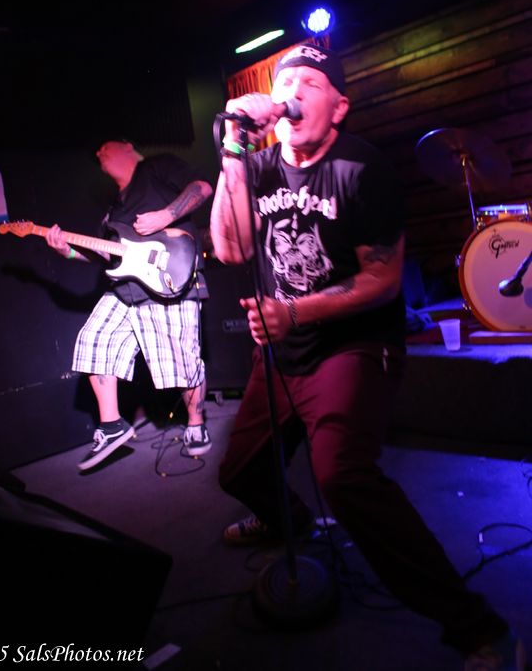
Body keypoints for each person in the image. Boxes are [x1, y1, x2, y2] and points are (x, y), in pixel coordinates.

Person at [209, 44, 525, 671]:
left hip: (353, 345)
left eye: (308, 82)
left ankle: (479, 629)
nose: (291, 92)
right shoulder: (258, 164)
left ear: (338, 106)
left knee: (342, 476)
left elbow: (381, 280)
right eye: (284, 82)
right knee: (239, 472)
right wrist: (233, 152)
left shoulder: (362, 167)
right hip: (283, 352)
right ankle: (295, 524)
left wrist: (293, 311)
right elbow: (231, 248)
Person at [46, 139, 213, 470]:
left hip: (170, 279)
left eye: (104, 147)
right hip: (125, 290)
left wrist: (165, 216)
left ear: (127, 146)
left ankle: (196, 423)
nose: (98, 153)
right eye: (97, 152)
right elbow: (104, 255)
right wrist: (67, 250)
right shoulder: (113, 211)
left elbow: (202, 187)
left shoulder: (157, 167)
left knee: (183, 362)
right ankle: (111, 425)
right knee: (94, 340)